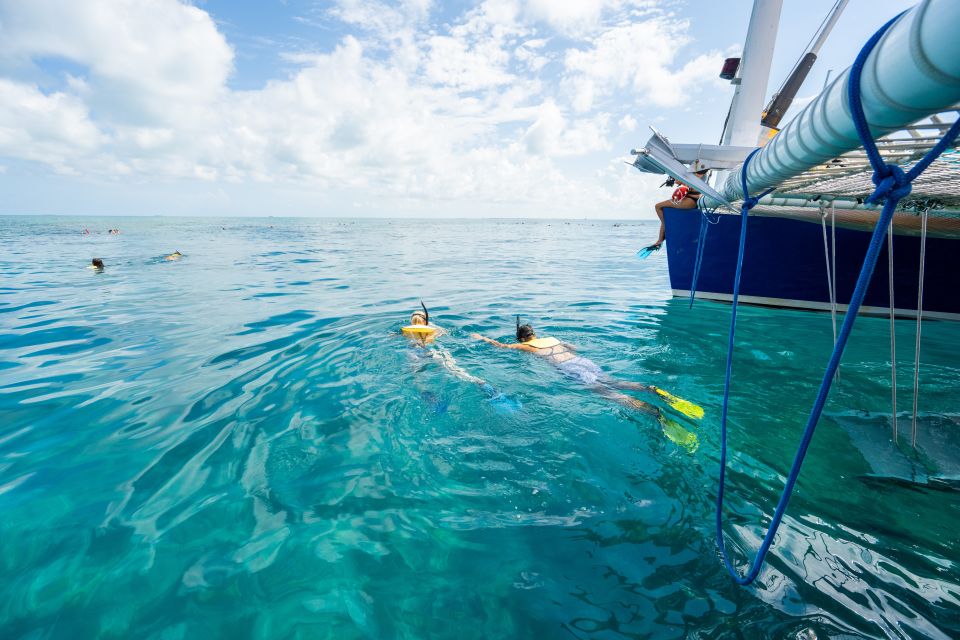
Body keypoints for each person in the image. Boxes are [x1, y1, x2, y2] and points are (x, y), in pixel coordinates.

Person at [471, 318, 702, 449]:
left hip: (571, 370)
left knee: (609, 395)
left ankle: (655, 412)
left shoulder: (525, 346)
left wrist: (481, 338)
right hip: (583, 362)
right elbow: (574, 348)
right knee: (614, 381)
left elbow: (500, 347)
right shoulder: (553, 338)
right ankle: (652, 389)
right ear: (534, 333)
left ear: (522, 338)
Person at [402, 302, 518, 412]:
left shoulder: (405, 331)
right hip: (435, 351)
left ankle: (429, 397)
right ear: (426, 321)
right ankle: (483, 385)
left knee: (416, 377)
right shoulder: (434, 329)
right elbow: (446, 332)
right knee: (457, 371)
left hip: (415, 351)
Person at [643, 168, 708, 252]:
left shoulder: (698, 175)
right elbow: (681, 181)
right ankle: (659, 240)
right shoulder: (696, 175)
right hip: (690, 199)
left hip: (690, 201)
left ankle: (664, 229)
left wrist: (676, 179)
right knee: (664, 214)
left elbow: (681, 181)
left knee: (658, 206)